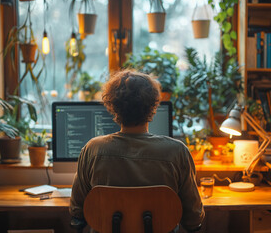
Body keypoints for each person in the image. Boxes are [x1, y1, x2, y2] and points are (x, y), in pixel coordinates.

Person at [69, 69, 205, 231]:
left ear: (113, 107)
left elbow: (77, 213)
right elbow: (193, 219)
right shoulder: (177, 152)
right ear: (153, 108)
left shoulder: (92, 149)